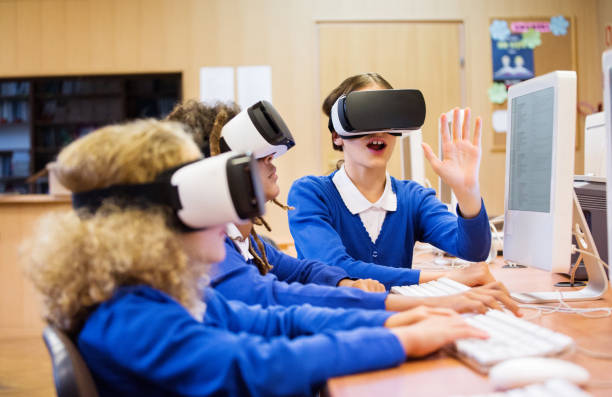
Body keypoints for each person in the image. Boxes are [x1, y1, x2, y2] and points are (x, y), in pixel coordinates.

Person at [21, 119, 490, 396]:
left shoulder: (156, 297)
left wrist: (391, 322)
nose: (227, 214)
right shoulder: (129, 319)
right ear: (148, 225)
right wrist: (401, 341)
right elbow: (253, 366)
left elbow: (271, 324)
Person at [166, 100, 520, 316]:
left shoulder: (249, 245)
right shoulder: (210, 254)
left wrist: (467, 190)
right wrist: (427, 300)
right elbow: (283, 303)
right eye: (362, 118)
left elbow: (306, 274)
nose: (273, 159)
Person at [287, 73, 493, 290]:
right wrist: (445, 278)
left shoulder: (413, 198)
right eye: (365, 116)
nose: (379, 130)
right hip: (334, 321)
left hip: (400, 319)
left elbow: (473, 251)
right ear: (337, 135)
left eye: (387, 117)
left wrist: (467, 192)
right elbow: (335, 269)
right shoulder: (309, 194)